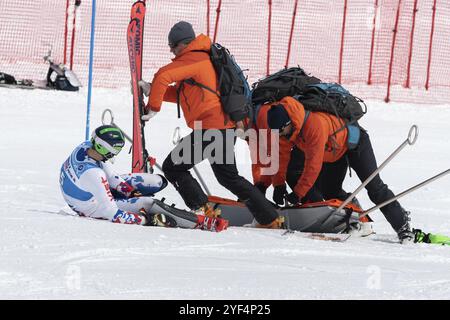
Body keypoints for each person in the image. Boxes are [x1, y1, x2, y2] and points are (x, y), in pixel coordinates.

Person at [140, 21, 282, 228]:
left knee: (174, 167)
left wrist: (153, 107)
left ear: (184, 43)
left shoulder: (195, 58)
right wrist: (152, 90)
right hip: (223, 128)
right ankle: (271, 218)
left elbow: (163, 76)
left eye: (173, 46)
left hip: (212, 129)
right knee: (229, 178)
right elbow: (186, 95)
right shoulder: (202, 58)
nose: (171, 51)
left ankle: (202, 209)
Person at [266, 96, 415, 243]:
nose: (280, 135)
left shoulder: (313, 125)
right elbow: (280, 156)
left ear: (289, 122)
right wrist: (278, 185)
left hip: (355, 144)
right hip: (334, 151)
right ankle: (356, 217)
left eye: (281, 131)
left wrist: (298, 193)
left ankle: (402, 225)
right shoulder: (287, 131)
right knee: (331, 191)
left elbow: (313, 166)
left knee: (374, 187)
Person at [59, 125, 227, 231]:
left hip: (86, 190)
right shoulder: (94, 174)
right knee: (148, 203)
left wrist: (130, 192)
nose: (116, 154)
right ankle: (202, 222)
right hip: (92, 206)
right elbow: (111, 213)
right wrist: (145, 219)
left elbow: (111, 176)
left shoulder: (87, 147)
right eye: (115, 150)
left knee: (157, 181)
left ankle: (137, 201)